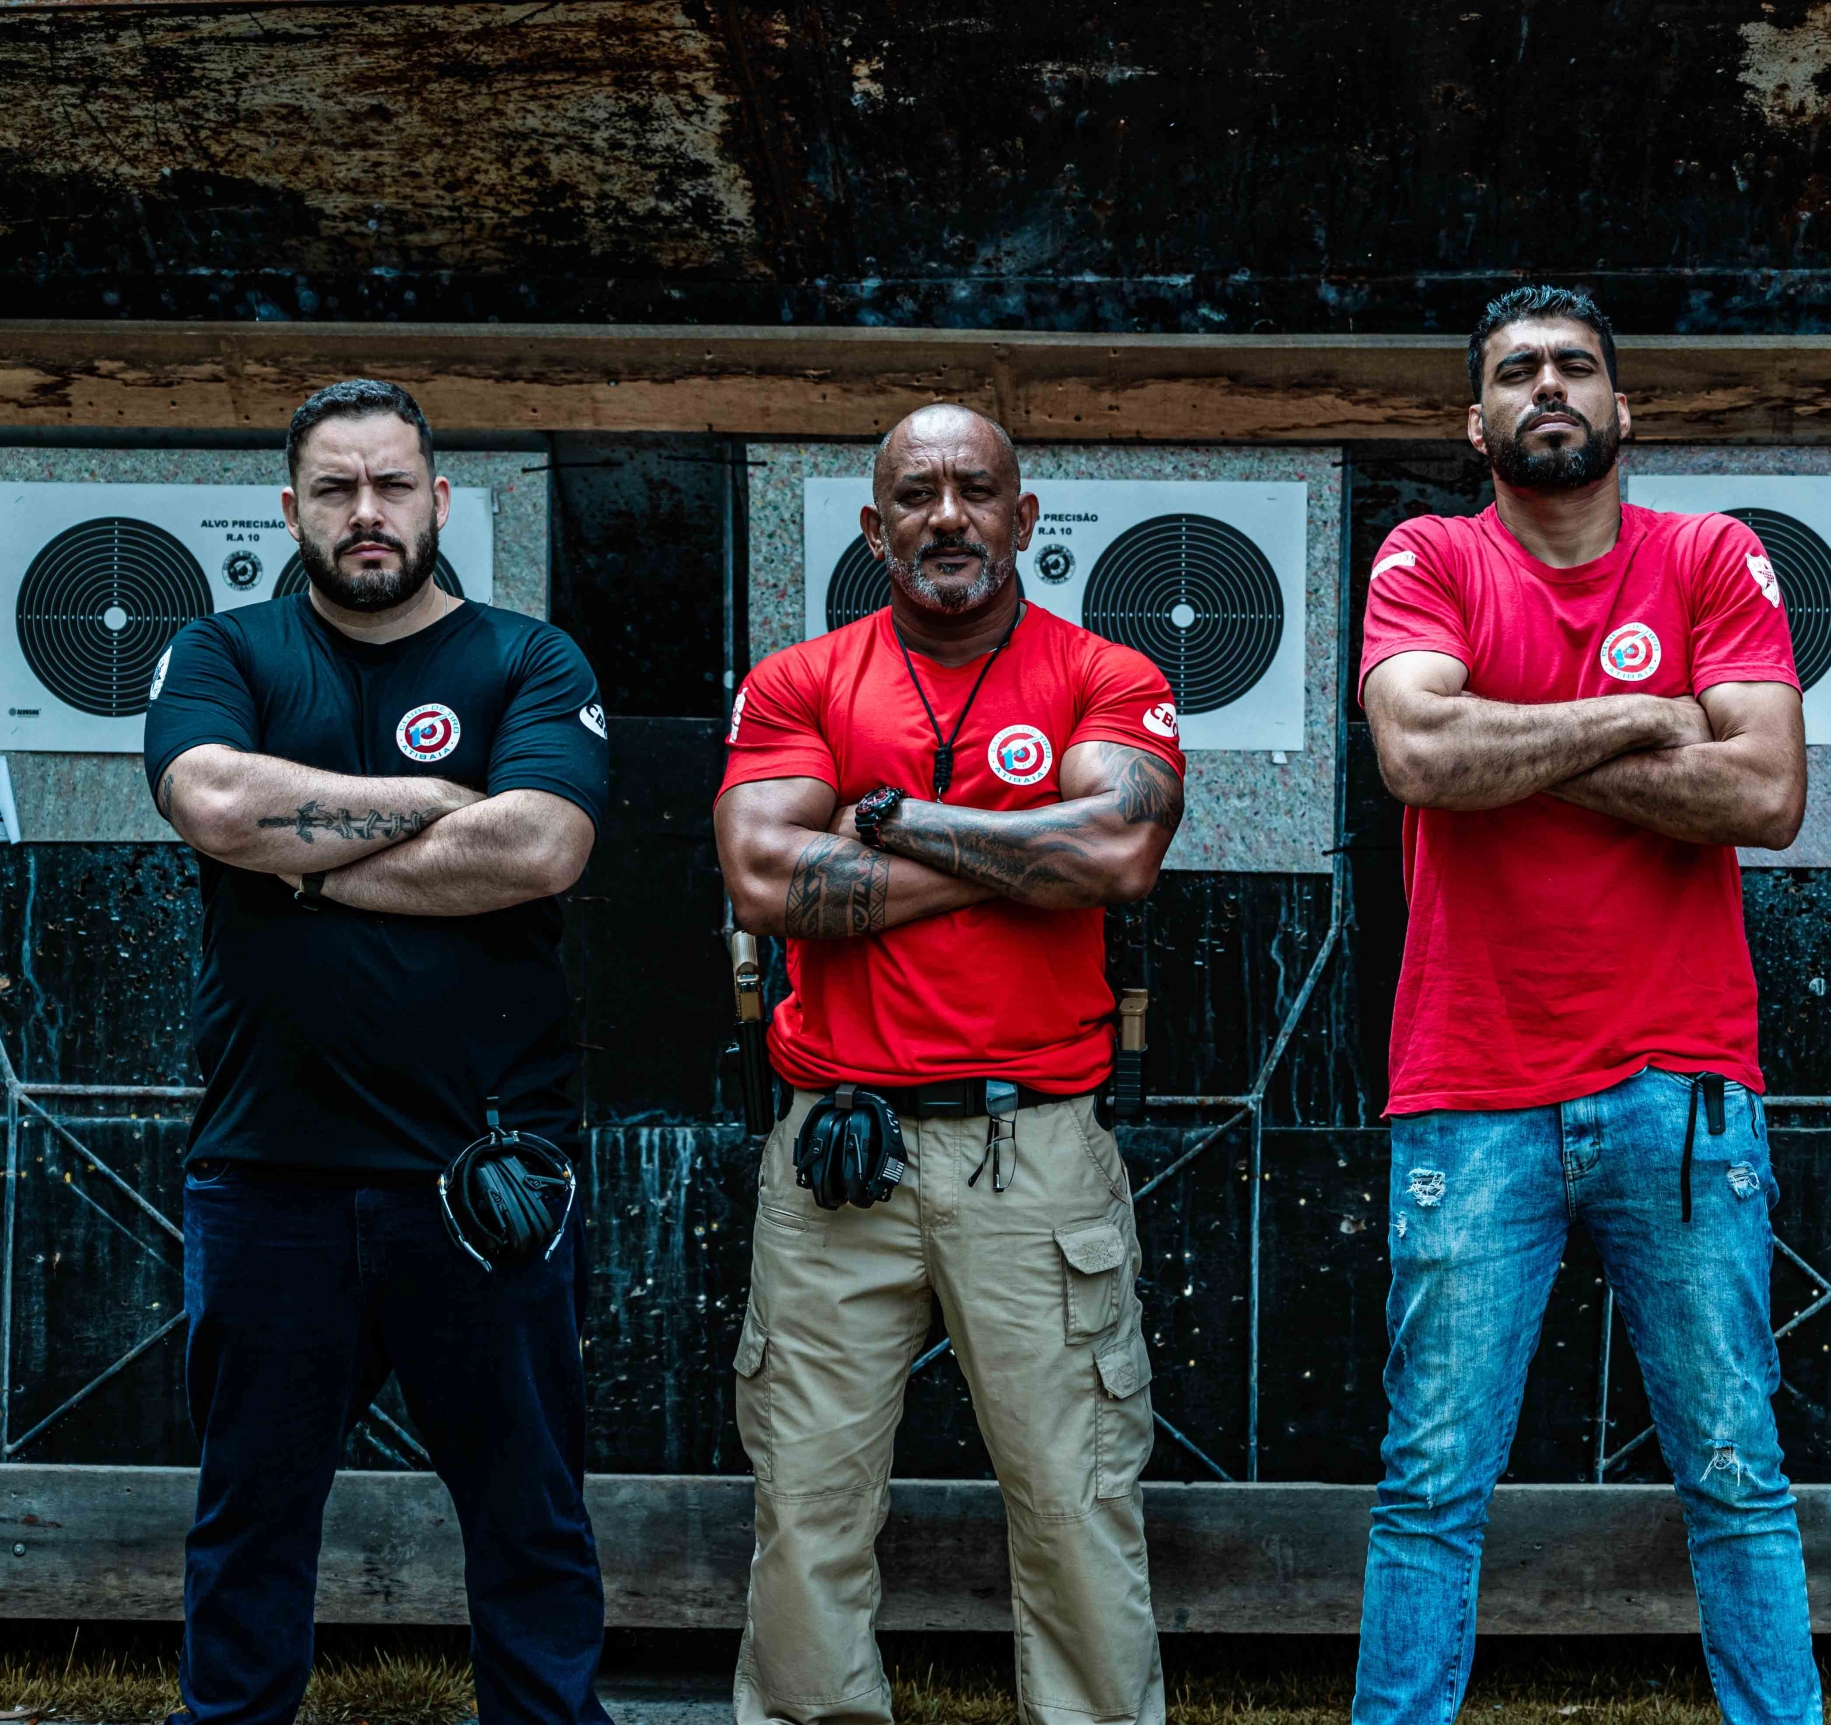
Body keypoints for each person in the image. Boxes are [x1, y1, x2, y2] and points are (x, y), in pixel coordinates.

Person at [1356, 285, 1820, 1725]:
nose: (1547, 385)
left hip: (1682, 1088)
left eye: (1574, 366)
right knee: (1431, 1481)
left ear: (1625, 408)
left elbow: (1765, 791)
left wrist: (1512, 745)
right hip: (1470, 1083)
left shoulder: (1708, 555)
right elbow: (1418, 757)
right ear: (1475, 421)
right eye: (1516, 370)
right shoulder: (1430, 555)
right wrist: (1639, 714)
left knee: (1737, 1472)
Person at [142, 379, 613, 1725]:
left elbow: (539, 846)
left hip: (485, 1178)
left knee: (529, 1523)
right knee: (249, 1524)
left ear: (438, 499)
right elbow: (213, 799)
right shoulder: (223, 651)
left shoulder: (531, 661)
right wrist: (430, 804)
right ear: (291, 508)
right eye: (336, 489)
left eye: (393, 485)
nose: (367, 513)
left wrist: (295, 862)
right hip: (268, 1174)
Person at [713, 403, 1186, 1725]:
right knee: (806, 1503)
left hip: (1032, 1148)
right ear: (875, 530)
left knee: (1075, 1501)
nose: (947, 518)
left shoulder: (1102, 672)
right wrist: (1015, 854)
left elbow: (1117, 853)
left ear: (1022, 518)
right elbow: (765, 879)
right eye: (916, 497)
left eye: (976, 491)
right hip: (838, 1148)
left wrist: (894, 823)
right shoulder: (803, 680)